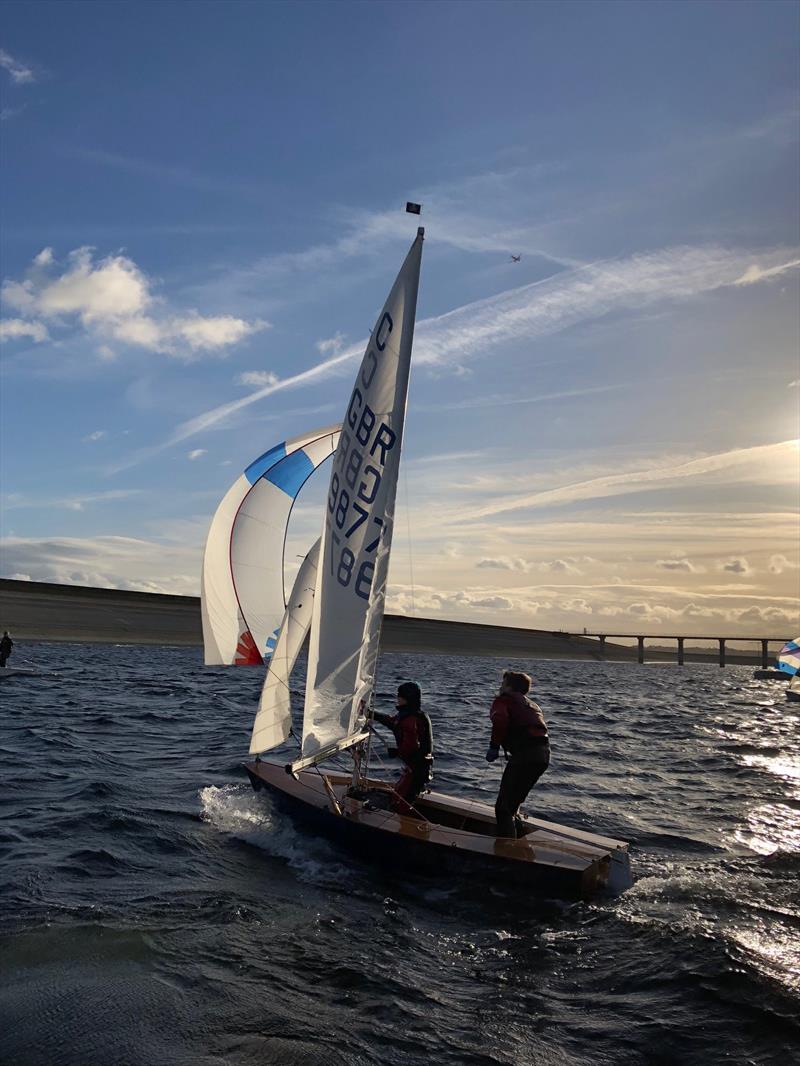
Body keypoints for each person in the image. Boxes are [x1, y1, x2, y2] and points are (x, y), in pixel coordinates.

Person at [486, 670, 550, 838]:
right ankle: (520, 841)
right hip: (543, 755)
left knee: (503, 807)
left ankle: (507, 850)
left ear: (510, 687)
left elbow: (500, 720)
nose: (500, 687)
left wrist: (494, 746)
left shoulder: (504, 700)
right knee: (513, 804)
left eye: (503, 684)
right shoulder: (532, 705)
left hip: (525, 755)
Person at [370, 681, 433, 815]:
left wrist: (396, 752)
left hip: (417, 769)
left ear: (407, 698)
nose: (397, 698)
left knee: (401, 803)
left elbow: (412, 745)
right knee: (398, 795)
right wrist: (371, 714)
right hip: (414, 768)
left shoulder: (412, 719)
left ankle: (404, 828)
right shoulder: (408, 715)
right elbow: (392, 722)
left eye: (400, 696)